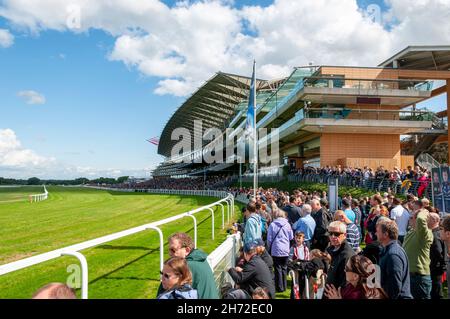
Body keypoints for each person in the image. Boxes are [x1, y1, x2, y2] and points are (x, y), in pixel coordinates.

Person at [160, 232, 218, 299]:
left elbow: (163, 293)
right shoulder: (200, 259)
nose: (170, 254)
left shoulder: (185, 266)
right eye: (169, 250)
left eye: (173, 250)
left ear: (187, 250)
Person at [403, 200, 433, 299]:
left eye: (412, 218)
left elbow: (421, 220)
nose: (409, 219)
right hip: (409, 276)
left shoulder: (424, 234)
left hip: (420, 278)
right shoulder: (412, 231)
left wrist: (423, 211)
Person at [376, 218, 412, 299]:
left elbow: (395, 286)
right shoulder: (388, 251)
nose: (375, 233)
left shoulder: (393, 255)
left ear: (385, 234)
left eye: (378, 231)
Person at [267, 209, 293, 293]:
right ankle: (284, 286)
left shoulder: (272, 225)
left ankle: (279, 287)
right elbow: (291, 237)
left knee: (277, 268)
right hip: (285, 248)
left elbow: (269, 239)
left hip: (276, 249)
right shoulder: (287, 224)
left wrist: (269, 247)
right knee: (284, 268)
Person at [325, 221, 355, 290]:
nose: (333, 236)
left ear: (345, 235)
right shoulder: (333, 249)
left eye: (336, 234)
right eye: (330, 233)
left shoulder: (347, 256)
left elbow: (346, 282)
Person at [428, 213, 446, 299]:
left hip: (435, 267)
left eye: (428, 218)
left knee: (436, 292)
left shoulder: (434, 235)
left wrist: (443, 265)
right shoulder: (440, 232)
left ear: (434, 220)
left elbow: (438, 251)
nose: (426, 220)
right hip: (438, 267)